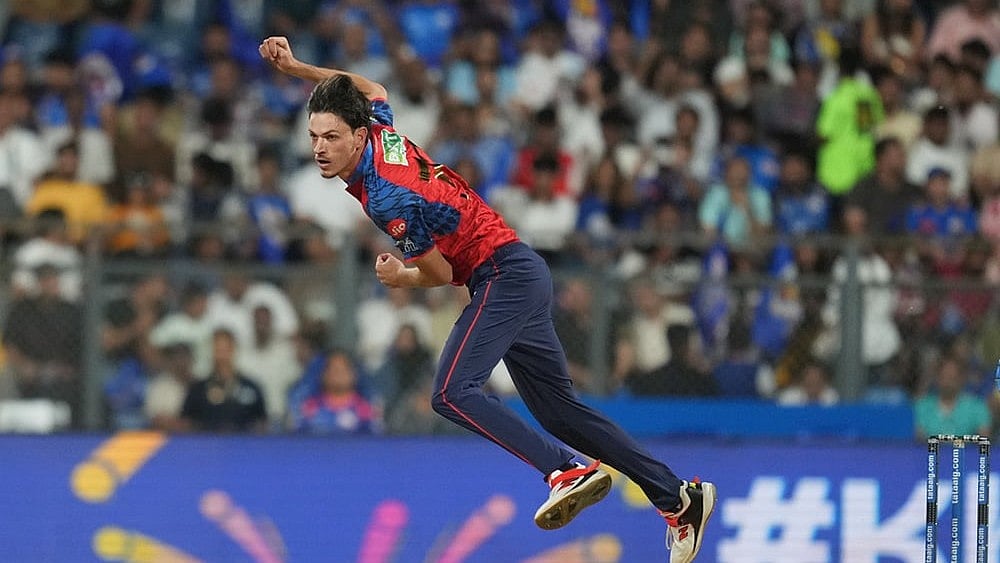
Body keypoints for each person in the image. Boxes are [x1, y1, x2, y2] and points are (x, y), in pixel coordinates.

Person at [259, 36, 716, 562]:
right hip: (517, 268)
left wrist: (399, 277)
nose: (319, 147)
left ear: (358, 136)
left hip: (501, 275)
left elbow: (440, 270)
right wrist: (297, 69)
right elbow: (371, 87)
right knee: (561, 413)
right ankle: (680, 499)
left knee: (451, 393)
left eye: (331, 137)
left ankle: (566, 470)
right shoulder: (381, 133)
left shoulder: (386, 195)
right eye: (314, 135)